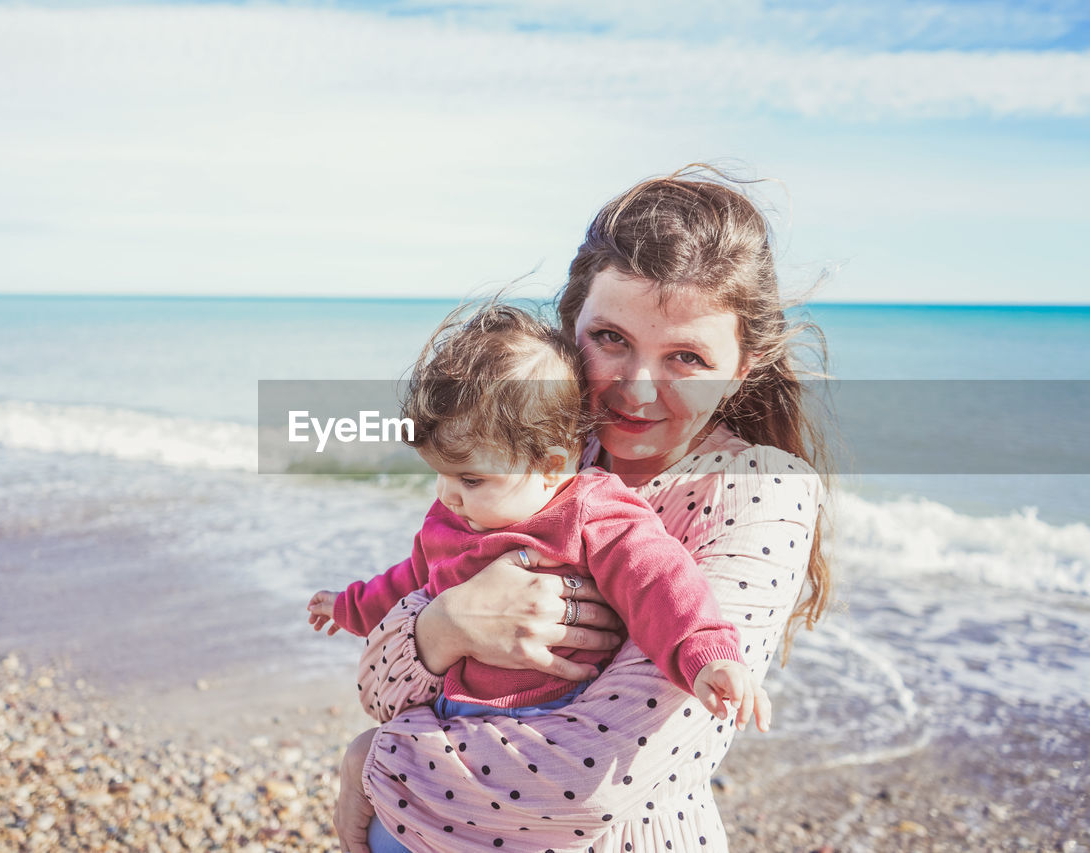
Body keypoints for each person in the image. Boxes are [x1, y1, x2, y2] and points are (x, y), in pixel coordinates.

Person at [332, 165, 830, 853]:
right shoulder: (528, 448)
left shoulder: (760, 491)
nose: (638, 390)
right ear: (572, 329)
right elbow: (377, 682)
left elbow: (592, 783)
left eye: (686, 355)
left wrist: (376, 760)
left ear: (742, 366)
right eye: (612, 339)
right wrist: (451, 622)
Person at [308, 304, 769, 850]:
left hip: (541, 726)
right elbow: (408, 582)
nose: (447, 493)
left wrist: (706, 652)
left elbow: (658, 582)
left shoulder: (590, 510)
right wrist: (348, 606)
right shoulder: (457, 515)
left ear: (552, 466)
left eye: (471, 477)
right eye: (440, 474)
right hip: (446, 723)